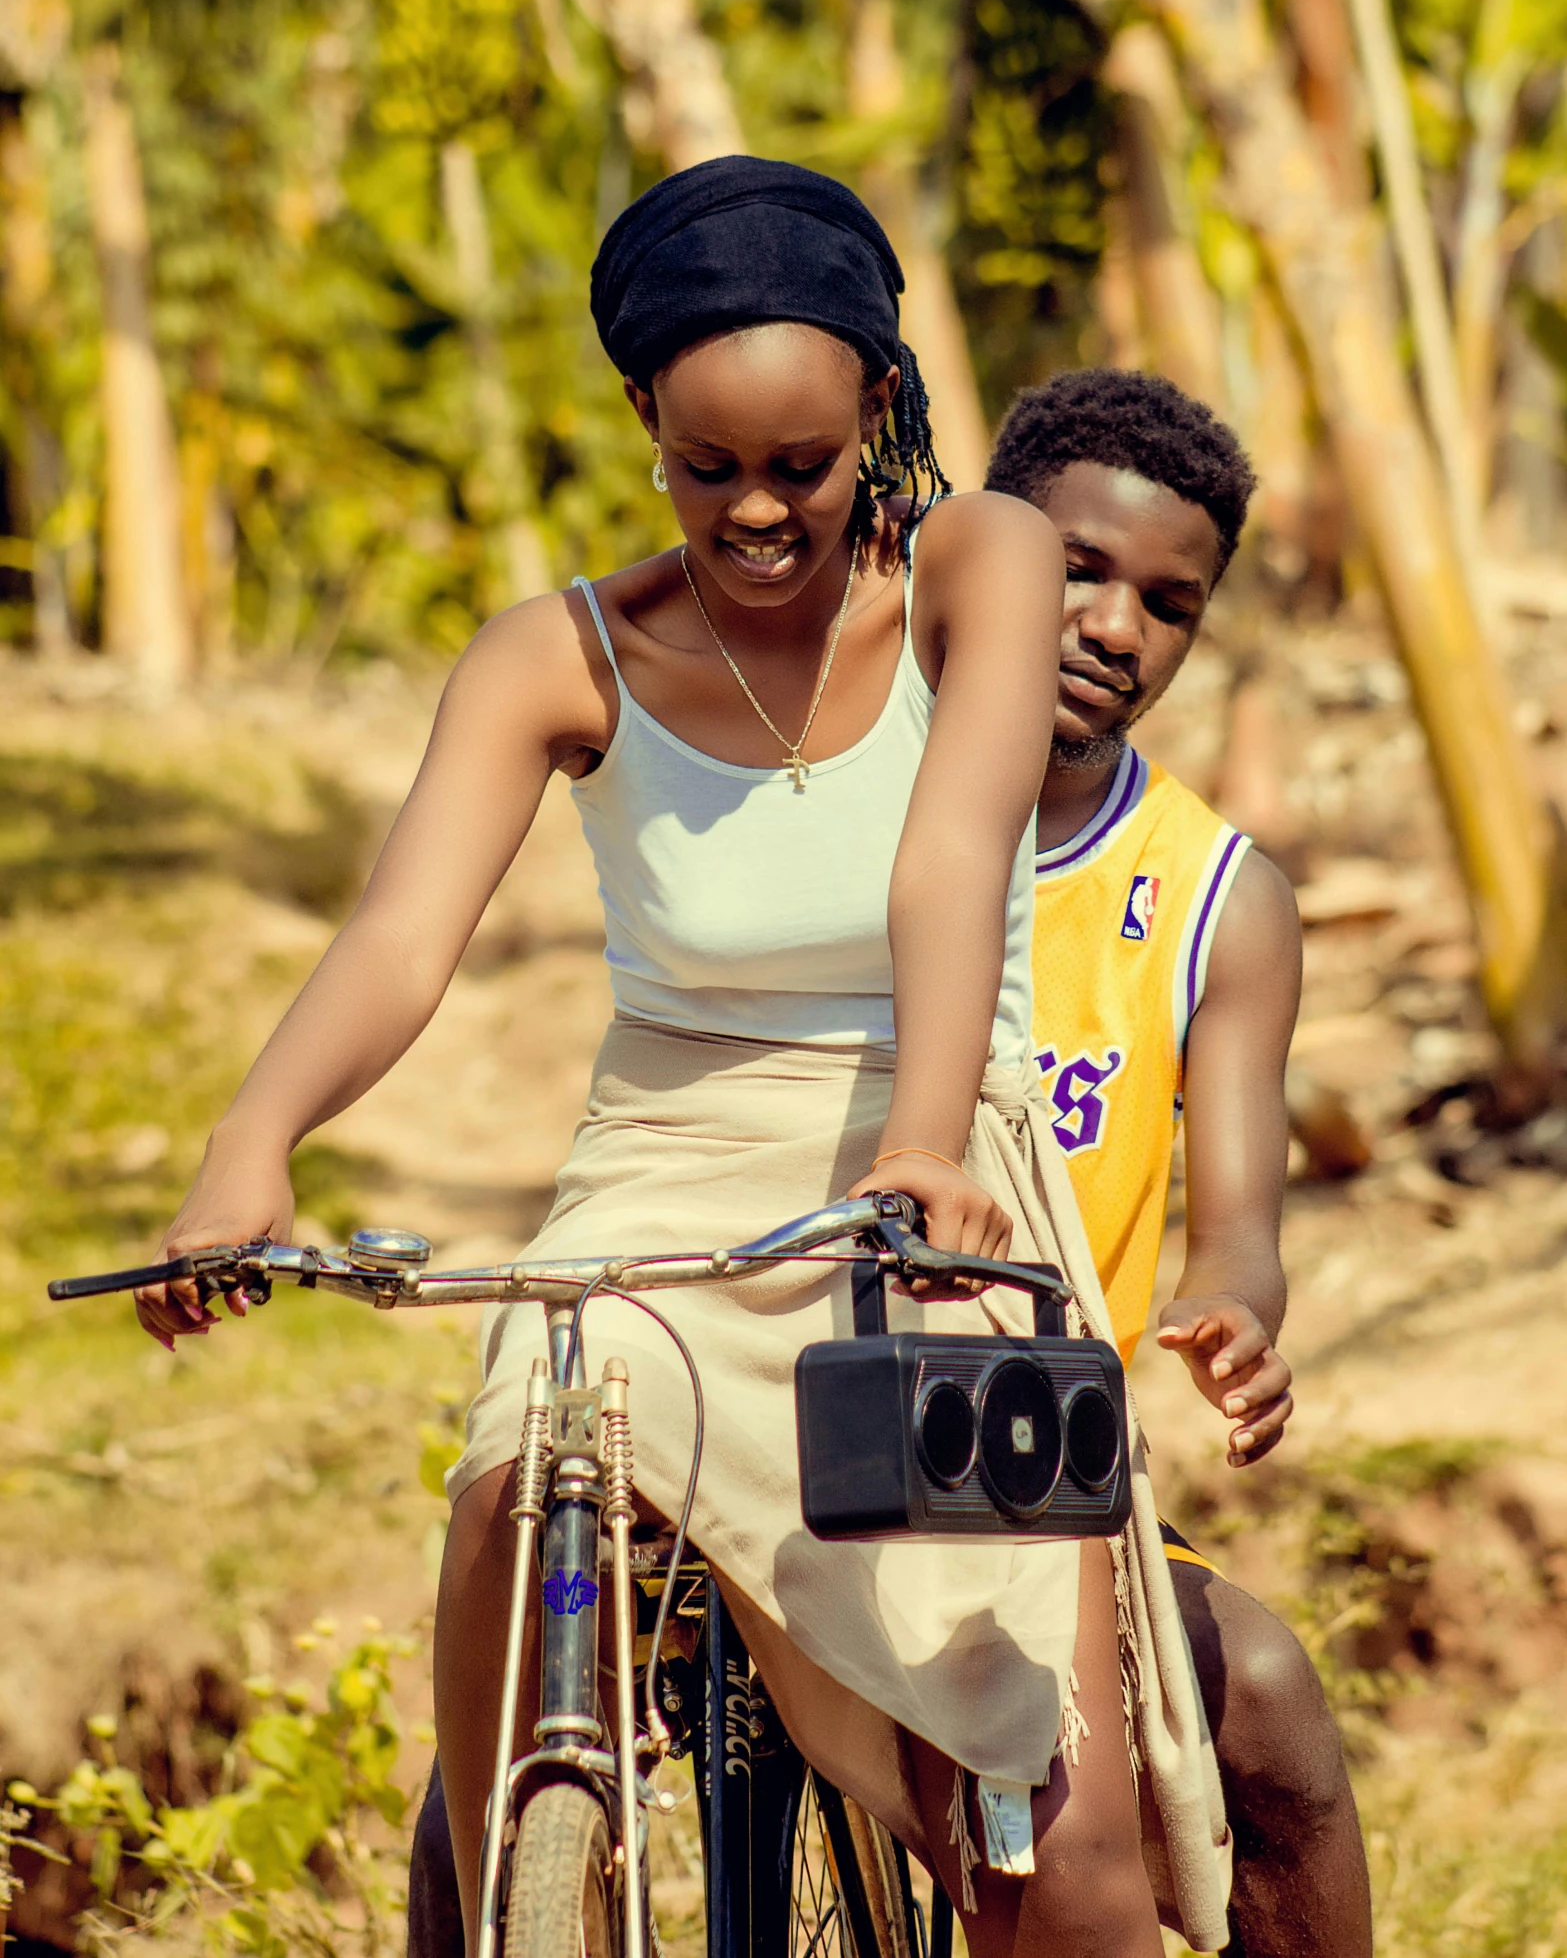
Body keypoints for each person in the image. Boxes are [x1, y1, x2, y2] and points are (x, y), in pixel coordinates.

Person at [136, 163, 1231, 1958]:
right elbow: (402, 945)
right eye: (705, 465)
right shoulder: (552, 657)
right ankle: (523, 1887)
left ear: (877, 408)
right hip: (657, 1178)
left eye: (799, 463)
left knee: (1062, 1861)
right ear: (642, 419)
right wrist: (248, 1148)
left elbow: (950, 856)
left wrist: (934, 1136)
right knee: (508, 1497)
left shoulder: (985, 559)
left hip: (927, 1157)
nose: (758, 512)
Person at [985, 367, 1373, 1958]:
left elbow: (1235, 1223)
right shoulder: (829, 798)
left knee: (1265, 1699)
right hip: (755, 1389)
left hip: (1024, 1452)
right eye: (1073, 566)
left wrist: (1233, 1317)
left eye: (1167, 602)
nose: (1112, 627)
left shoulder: (1215, 898)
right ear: (977, 550)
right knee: (514, 1714)